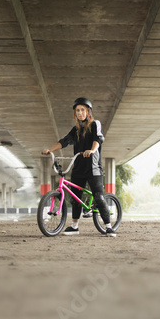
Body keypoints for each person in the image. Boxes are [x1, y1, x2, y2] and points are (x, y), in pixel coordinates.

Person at [42, 97, 116, 237]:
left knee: (99, 197)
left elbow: (98, 139)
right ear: (75, 113)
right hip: (78, 168)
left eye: (83, 110)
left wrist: (92, 150)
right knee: (75, 198)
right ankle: (75, 226)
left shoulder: (95, 124)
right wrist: (51, 150)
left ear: (88, 111)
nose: (80, 112)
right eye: (77, 110)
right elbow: (64, 141)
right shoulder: (75, 129)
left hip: (93, 168)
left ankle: (108, 226)